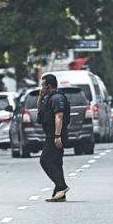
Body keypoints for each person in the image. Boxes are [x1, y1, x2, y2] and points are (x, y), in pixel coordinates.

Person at [37, 74, 70, 202]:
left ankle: (62, 186)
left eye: (43, 85)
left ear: (48, 86)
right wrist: (40, 97)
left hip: (56, 135)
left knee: (45, 160)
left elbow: (59, 117)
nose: (42, 88)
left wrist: (57, 136)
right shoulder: (48, 98)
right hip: (51, 134)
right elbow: (40, 111)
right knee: (56, 162)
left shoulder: (57, 98)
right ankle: (60, 194)